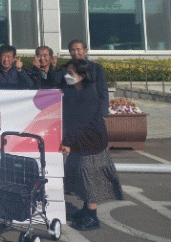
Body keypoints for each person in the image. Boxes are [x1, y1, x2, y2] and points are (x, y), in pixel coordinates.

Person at [61, 59, 123, 231]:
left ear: (82, 76)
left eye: (71, 73)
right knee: (79, 175)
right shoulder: (71, 91)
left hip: (92, 142)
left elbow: (81, 122)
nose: (67, 76)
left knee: (89, 177)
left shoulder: (89, 94)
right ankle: (85, 209)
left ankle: (92, 216)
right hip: (78, 140)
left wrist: (67, 142)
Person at [64, 40, 110, 117]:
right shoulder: (64, 68)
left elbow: (103, 91)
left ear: (85, 51)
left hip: (93, 111)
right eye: (72, 50)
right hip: (72, 112)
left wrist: (103, 113)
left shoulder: (96, 68)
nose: (75, 53)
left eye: (78, 50)